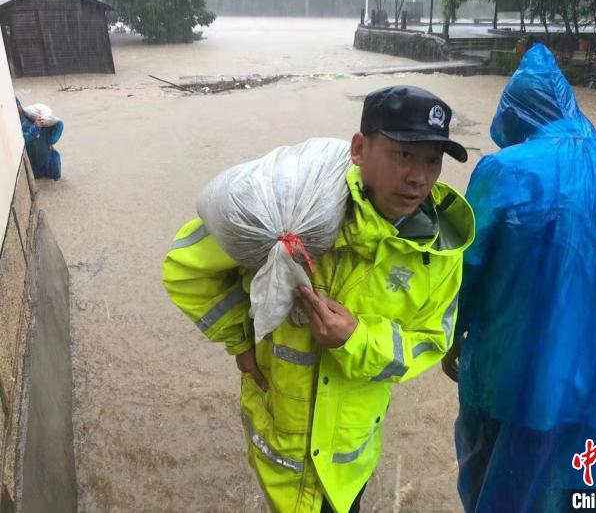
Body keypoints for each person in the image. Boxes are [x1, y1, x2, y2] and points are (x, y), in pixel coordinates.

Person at [163, 85, 475, 513]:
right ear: (360, 149)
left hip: (348, 461)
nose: (419, 176)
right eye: (404, 154)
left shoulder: (437, 254)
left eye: (431, 160)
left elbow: (429, 342)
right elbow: (187, 268)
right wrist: (240, 343)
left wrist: (355, 340)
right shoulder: (296, 215)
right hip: (282, 454)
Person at [442, 44, 596, 512]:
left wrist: (451, 341)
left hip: (504, 382)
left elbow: (461, 276)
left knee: (492, 491)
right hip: (595, 395)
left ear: (517, 116)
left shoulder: (503, 171)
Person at [16, 98, 63, 180]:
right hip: (35, 168)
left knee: (55, 185)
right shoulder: (18, 126)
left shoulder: (41, 119)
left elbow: (59, 125)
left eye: (16, 106)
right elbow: (22, 143)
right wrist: (35, 127)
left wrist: (50, 138)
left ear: (19, 106)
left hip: (51, 165)